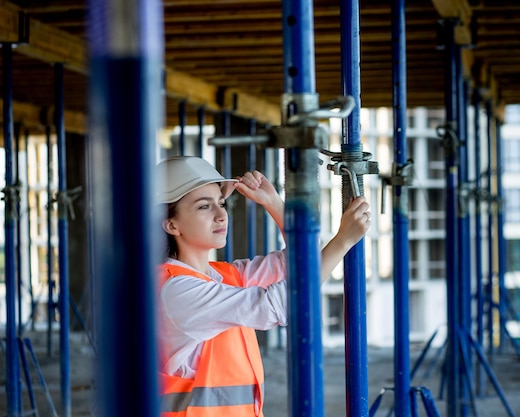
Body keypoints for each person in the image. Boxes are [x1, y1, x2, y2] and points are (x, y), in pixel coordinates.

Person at [156, 155, 371, 416]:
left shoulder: (225, 276)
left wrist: (273, 203)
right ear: (171, 224)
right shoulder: (176, 290)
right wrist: (342, 242)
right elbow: (284, 304)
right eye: (204, 207)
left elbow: (304, 261)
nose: (221, 215)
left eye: (221, 203)